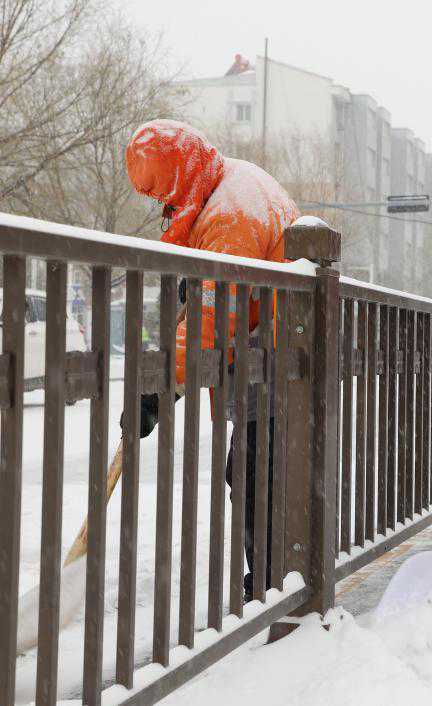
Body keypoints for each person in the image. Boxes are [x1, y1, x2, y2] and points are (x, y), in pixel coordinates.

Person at [123, 119, 298, 601]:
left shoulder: (229, 216)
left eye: (167, 196)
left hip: (273, 357)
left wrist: (156, 390)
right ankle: (277, 574)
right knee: (258, 472)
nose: (165, 208)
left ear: (182, 176)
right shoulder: (229, 180)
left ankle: (274, 583)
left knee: (256, 476)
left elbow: (213, 321)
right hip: (277, 352)